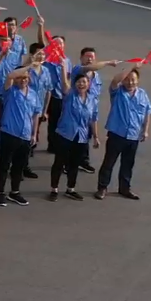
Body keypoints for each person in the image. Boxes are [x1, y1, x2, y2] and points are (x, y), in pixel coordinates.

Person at [96, 62, 151, 200]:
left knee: (128, 164)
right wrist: (132, 67)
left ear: (138, 80)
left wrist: (145, 130)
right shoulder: (117, 92)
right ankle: (102, 188)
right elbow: (115, 80)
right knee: (109, 162)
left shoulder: (142, 94)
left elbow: (147, 113)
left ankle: (125, 189)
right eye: (127, 79)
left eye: (133, 79)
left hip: (133, 135)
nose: (130, 82)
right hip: (117, 134)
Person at [49, 65, 99, 201]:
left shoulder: (92, 100)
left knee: (74, 164)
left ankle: (71, 189)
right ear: (75, 84)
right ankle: (54, 189)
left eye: (84, 82)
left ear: (88, 84)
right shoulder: (70, 95)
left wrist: (95, 136)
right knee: (59, 162)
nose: (81, 84)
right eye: (79, 82)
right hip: (65, 134)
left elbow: (93, 119)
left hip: (81, 136)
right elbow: (64, 84)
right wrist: (63, 67)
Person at [0, 65, 41, 207]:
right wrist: (29, 66)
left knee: (19, 166)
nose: (23, 80)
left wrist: (34, 133)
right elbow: (9, 76)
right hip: (10, 133)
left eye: (25, 77)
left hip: (25, 135)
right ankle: (0, 192)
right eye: (20, 77)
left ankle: (15, 192)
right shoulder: (10, 91)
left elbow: (35, 115)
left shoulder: (33, 94)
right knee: (4, 164)